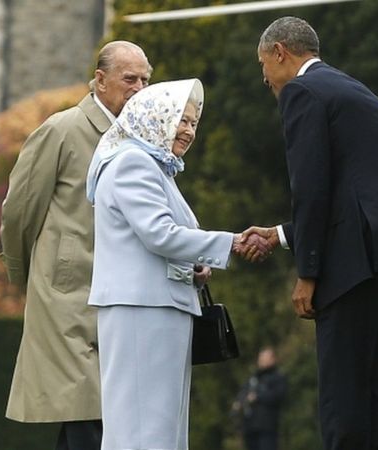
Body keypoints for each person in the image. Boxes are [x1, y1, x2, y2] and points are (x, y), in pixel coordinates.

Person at [243, 16, 378, 450]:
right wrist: (281, 234)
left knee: (344, 398)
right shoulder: (360, 92)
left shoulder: (301, 91)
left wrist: (308, 272)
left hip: (353, 263)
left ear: (281, 53)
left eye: (264, 69)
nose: (266, 81)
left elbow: (312, 188)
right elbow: (354, 192)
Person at [86, 78, 265, 450]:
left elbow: (153, 243)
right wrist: (229, 242)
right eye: (181, 120)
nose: (188, 131)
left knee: (160, 426)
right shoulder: (133, 162)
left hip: (156, 308)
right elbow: (160, 234)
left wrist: (195, 267)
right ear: (155, 116)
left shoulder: (155, 166)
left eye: (194, 123)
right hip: (142, 309)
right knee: (143, 427)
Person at [0, 40, 152, 450]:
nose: (139, 88)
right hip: (68, 295)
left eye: (145, 79)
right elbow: (19, 212)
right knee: (89, 413)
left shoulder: (142, 140)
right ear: (100, 80)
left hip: (120, 294)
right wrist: (26, 276)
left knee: (95, 416)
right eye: (129, 78)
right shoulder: (61, 129)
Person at [232, 347, 288, 450]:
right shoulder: (254, 378)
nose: (262, 361)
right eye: (261, 358)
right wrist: (239, 402)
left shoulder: (277, 377)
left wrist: (258, 397)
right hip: (250, 427)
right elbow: (243, 392)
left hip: (267, 427)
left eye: (265, 358)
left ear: (273, 359)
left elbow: (278, 395)